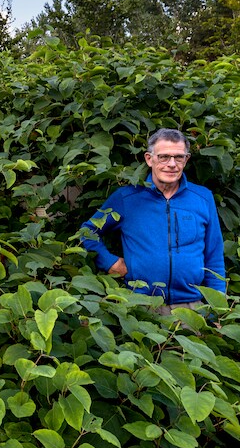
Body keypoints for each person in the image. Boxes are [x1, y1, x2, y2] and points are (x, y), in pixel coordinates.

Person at [80, 128, 226, 313]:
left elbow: (214, 257)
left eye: (178, 157)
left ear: (186, 160)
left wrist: (218, 312)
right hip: (140, 305)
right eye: (164, 157)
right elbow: (87, 232)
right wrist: (110, 262)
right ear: (149, 159)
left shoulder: (202, 198)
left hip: (192, 308)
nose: (172, 164)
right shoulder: (127, 198)